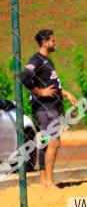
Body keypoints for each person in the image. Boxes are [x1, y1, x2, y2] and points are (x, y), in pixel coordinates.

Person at [20, 29, 77, 189]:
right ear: (44, 42)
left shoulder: (47, 60)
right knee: (54, 141)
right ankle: (49, 182)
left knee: (45, 142)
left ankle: (44, 181)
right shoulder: (37, 59)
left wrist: (64, 93)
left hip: (52, 106)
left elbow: (50, 83)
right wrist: (40, 92)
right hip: (45, 107)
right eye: (52, 40)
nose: (55, 43)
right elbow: (24, 77)